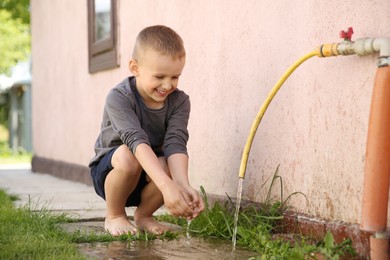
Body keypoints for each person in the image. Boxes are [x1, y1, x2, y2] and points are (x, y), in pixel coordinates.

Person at [89, 25, 205, 236]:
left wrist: (182, 185)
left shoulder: (180, 101)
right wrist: (167, 186)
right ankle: (115, 215)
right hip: (113, 175)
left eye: (175, 77)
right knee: (128, 155)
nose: (168, 85)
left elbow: (176, 142)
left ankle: (143, 216)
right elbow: (136, 141)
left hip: (148, 177)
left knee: (167, 162)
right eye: (160, 76)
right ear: (135, 68)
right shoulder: (119, 97)